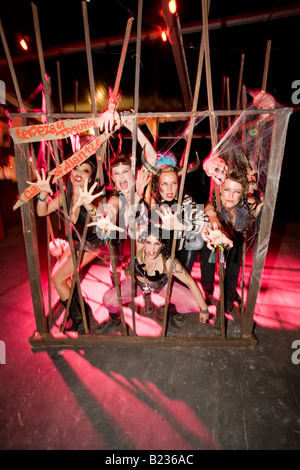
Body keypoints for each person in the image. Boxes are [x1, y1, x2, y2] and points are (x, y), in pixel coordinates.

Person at [30, 158, 103, 334]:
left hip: (93, 244)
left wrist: (90, 205)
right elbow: (42, 211)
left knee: (57, 279)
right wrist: (43, 193)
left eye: (85, 171)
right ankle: (83, 313)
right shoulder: (65, 194)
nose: (79, 173)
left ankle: (80, 322)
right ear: (70, 172)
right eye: (76, 168)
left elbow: (103, 228)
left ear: (90, 177)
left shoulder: (95, 198)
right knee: (64, 279)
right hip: (76, 243)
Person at [99, 222, 210, 335]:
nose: (151, 249)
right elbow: (129, 221)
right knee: (108, 300)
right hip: (138, 285)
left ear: (162, 245)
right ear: (144, 241)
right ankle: (114, 319)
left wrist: (204, 309)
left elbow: (190, 283)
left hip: (161, 286)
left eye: (156, 243)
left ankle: (168, 312)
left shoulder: (169, 262)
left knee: (194, 304)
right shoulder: (140, 246)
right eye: (148, 242)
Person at [200, 164, 263, 331]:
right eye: (227, 189)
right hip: (213, 242)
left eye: (237, 191)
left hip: (234, 243)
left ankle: (224, 306)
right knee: (207, 280)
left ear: (242, 193)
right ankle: (207, 291)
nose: (231, 196)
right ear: (220, 188)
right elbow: (211, 214)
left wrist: (262, 208)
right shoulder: (213, 203)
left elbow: (261, 212)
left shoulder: (247, 203)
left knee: (233, 271)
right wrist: (217, 229)